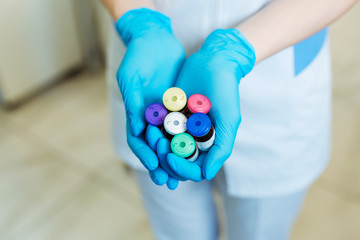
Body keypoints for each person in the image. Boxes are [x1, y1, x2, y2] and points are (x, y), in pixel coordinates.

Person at [100, 0, 358, 239]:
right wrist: (140, 21)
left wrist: (236, 51)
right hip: (151, 79)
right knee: (176, 229)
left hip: (277, 74)